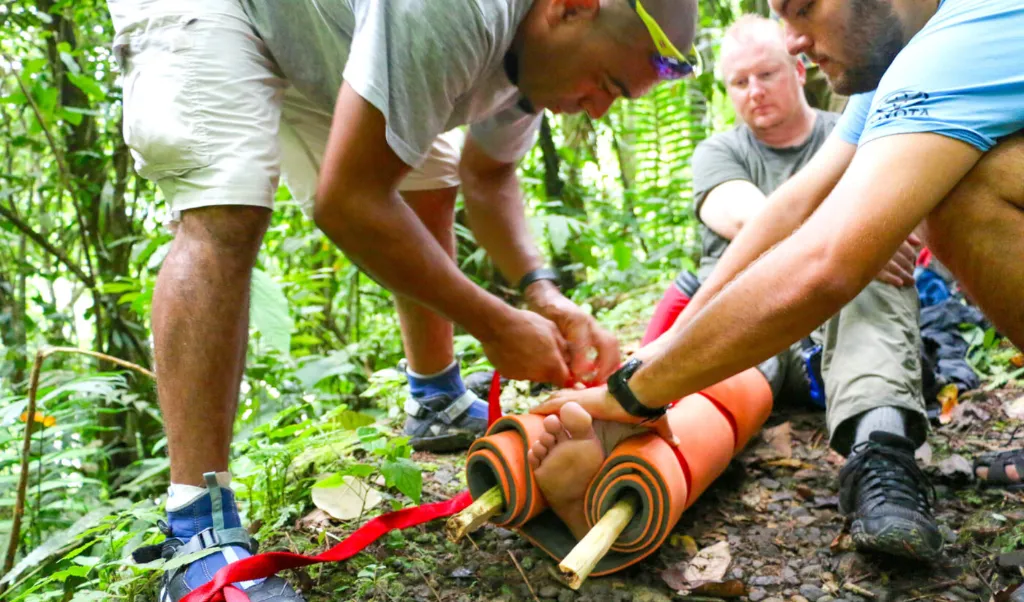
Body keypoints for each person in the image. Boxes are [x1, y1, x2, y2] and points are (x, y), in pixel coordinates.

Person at [109, 0, 698, 599]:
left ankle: (436, 396)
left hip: (323, 31)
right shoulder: (458, 11)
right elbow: (348, 201)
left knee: (425, 178)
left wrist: (544, 295)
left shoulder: (538, 59)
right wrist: (494, 324)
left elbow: (487, 177)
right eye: (605, 83)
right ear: (569, 9)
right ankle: (194, 525)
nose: (597, 110)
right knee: (226, 209)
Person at [536, 0, 1024, 563]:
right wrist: (646, 368)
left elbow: (827, 261)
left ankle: (882, 450)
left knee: (931, 215)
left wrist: (636, 392)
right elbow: (781, 214)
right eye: (739, 80)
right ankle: (623, 465)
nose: (792, 40)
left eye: (804, 8)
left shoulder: (959, 40)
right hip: (774, 346)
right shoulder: (884, 86)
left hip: (842, 317)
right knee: (871, 240)